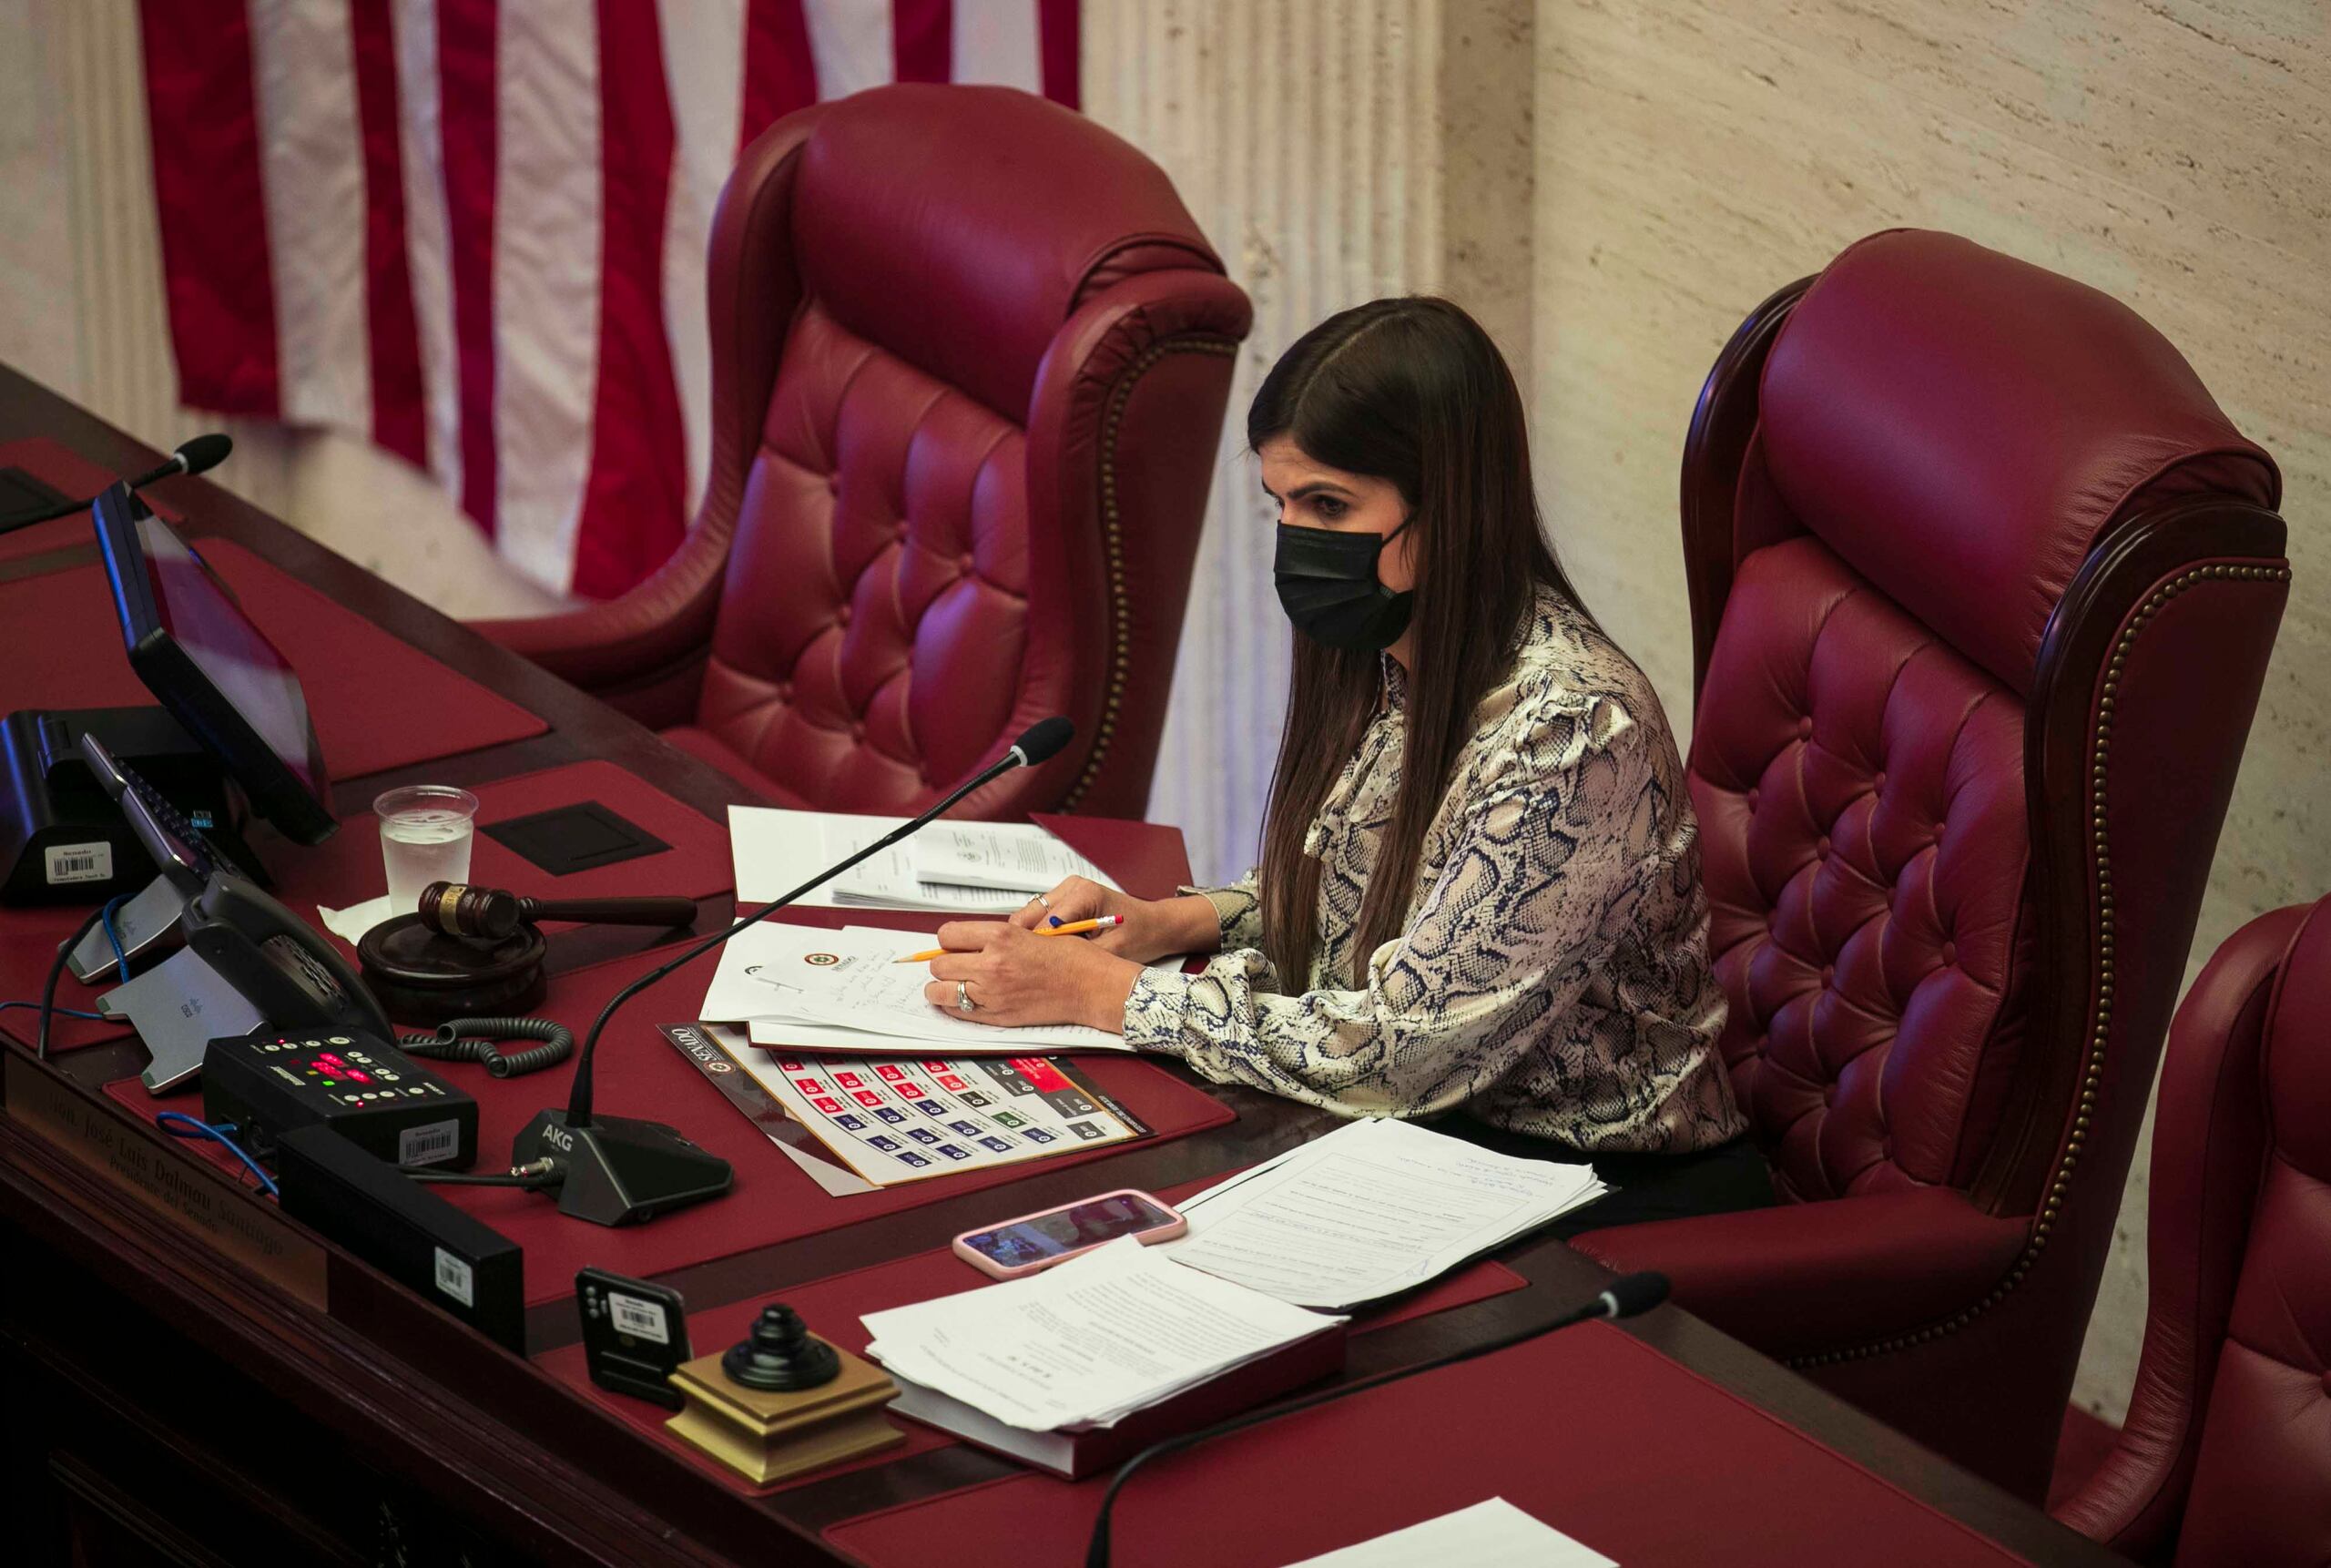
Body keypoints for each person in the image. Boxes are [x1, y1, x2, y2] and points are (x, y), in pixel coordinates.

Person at [921, 296, 1770, 1232]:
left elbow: (1399, 1052)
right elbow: (1369, 909)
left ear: (1451, 508)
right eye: (1279, 504)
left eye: (1327, 504)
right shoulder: (1387, 643)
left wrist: (1105, 994)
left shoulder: (1571, 730)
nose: (1296, 538)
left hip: (1598, 1189)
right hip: (1432, 1141)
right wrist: (1171, 922)